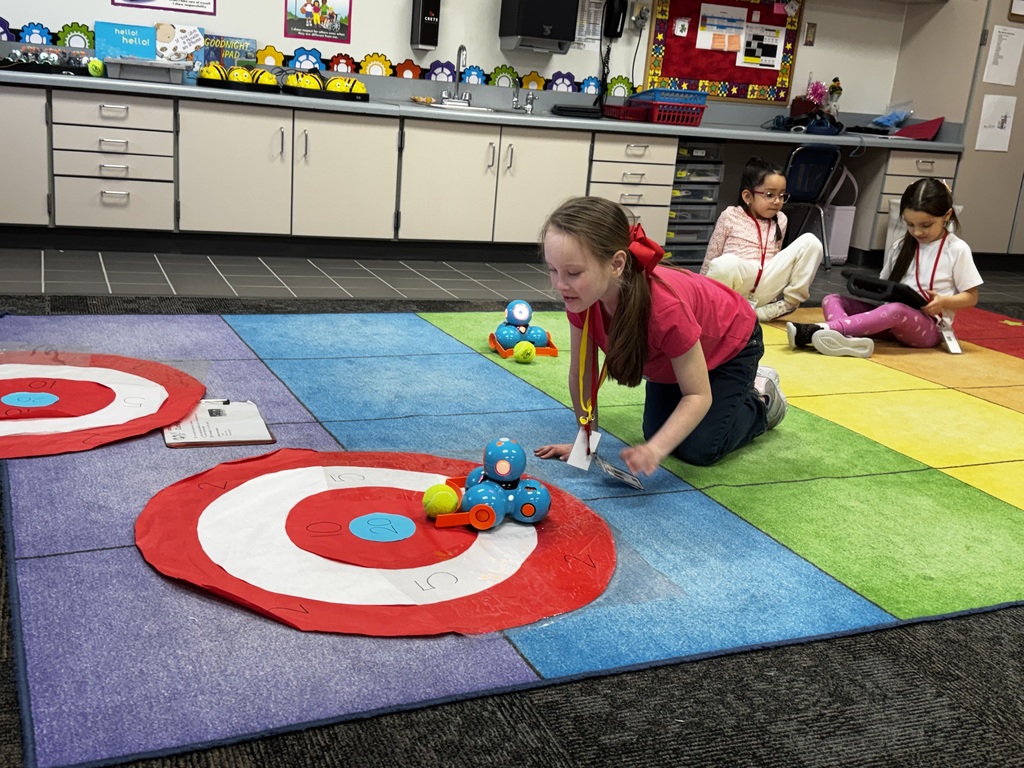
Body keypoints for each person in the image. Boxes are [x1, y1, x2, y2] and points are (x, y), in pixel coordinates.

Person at [534, 196, 786, 476]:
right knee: (655, 432)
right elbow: (583, 375)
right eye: (552, 270)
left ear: (616, 264)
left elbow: (698, 394)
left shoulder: (664, 309)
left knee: (700, 448)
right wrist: (586, 443)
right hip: (679, 359)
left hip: (732, 344)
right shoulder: (582, 299)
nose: (559, 285)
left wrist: (654, 451)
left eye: (573, 272)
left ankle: (763, 401)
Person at [787, 178, 982, 357]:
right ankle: (849, 341)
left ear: (947, 215)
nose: (917, 231)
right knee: (832, 299)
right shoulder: (900, 245)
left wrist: (944, 302)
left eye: (926, 225)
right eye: (910, 224)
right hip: (890, 320)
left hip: (928, 328)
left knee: (897, 310)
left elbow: (971, 297)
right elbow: (885, 285)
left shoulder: (957, 249)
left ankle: (821, 330)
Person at [700, 156, 823, 323]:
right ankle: (715, 307)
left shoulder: (781, 219)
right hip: (736, 284)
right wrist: (698, 292)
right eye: (770, 194)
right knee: (724, 263)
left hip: (765, 287)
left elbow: (777, 258)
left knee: (811, 241)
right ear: (747, 196)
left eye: (782, 195)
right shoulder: (730, 215)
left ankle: (784, 306)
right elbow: (712, 255)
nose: (777, 201)